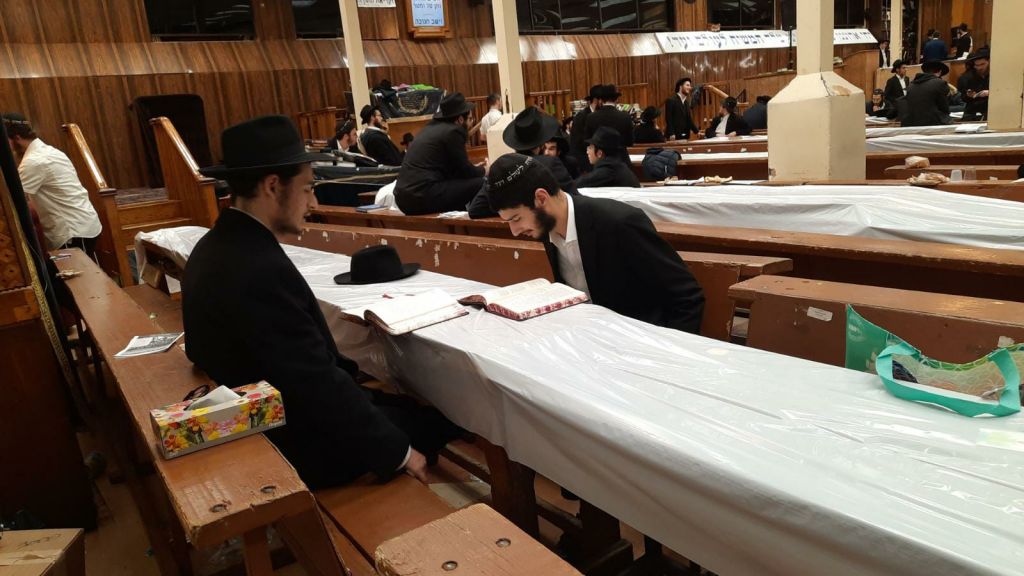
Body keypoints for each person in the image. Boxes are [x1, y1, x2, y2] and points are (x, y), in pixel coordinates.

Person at [185, 115, 460, 490]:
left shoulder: (215, 246)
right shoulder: (257, 267)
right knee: (442, 421)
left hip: (269, 417)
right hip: (298, 443)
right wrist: (399, 452)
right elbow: (313, 382)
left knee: (410, 409)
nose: (312, 203)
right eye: (307, 188)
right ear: (272, 186)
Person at [485, 153, 704, 334]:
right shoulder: (546, 227)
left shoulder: (619, 223)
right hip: (591, 339)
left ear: (541, 198)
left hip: (638, 341)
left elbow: (687, 296)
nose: (514, 231)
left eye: (516, 218)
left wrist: (669, 351)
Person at [2, 113, 101, 252]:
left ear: (17, 138)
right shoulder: (50, 151)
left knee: (78, 267)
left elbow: (10, 198)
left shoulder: (34, 161)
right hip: (84, 223)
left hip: (72, 232)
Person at [467, 107, 577, 218]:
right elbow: (573, 199)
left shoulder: (503, 167)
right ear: (541, 143)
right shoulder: (550, 163)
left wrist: (512, 212)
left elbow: (475, 209)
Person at [393, 93, 485, 215]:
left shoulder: (429, 129)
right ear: (460, 119)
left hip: (403, 198)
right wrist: (485, 170)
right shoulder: (453, 131)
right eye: (470, 119)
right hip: (421, 195)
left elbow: (453, 169)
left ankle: (460, 221)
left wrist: (474, 168)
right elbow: (465, 171)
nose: (471, 123)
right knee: (482, 183)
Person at [583, 84, 634, 163]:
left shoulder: (591, 117)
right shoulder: (625, 116)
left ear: (601, 100)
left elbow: (587, 140)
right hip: (621, 160)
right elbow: (630, 142)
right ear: (616, 99)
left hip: (601, 159)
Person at [575, 127, 639, 189]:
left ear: (599, 153)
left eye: (590, 148)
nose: (587, 152)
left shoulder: (608, 169)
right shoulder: (617, 165)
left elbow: (577, 184)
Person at [899, 60, 952, 127]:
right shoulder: (940, 83)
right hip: (933, 122)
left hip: (911, 123)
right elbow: (944, 108)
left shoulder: (911, 84)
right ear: (939, 72)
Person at [569, 85, 601, 172]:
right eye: (603, 100)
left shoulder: (600, 115)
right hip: (585, 162)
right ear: (596, 100)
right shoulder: (581, 117)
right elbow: (577, 144)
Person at [958, 48, 990, 120]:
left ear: (988, 62)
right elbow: (963, 98)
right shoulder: (966, 77)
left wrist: (990, 93)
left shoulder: (994, 75)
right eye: (977, 65)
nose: (980, 68)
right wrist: (968, 95)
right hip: (972, 111)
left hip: (989, 110)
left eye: (982, 64)